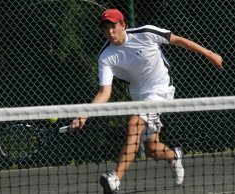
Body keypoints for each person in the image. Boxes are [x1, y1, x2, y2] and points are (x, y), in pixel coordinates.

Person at [71, 9, 223, 194]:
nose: (110, 32)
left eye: (113, 27)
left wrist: (209, 54)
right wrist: (84, 114)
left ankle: (115, 179)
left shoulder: (146, 33)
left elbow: (178, 40)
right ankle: (175, 156)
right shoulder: (105, 57)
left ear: (123, 25)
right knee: (151, 149)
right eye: (106, 28)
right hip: (138, 94)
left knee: (134, 123)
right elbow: (104, 92)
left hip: (161, 87)